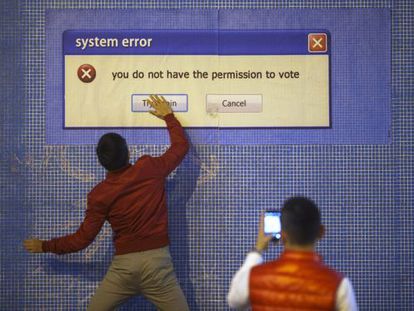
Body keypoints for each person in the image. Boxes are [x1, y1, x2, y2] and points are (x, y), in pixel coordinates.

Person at [24, 95, 190, 311]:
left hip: (123, 269)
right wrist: (168, 116)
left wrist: (45, 246)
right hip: (157, 265)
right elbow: (180, 147)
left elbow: (82, 240)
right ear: (128, 152)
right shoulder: (148, 168)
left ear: (102, 163)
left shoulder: (99, 195)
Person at [227, 196, 358, 311]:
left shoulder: (255, 277)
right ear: (321, 232)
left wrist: (257, 250)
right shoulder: (338, 284)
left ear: (283, 235)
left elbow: (234, 301)